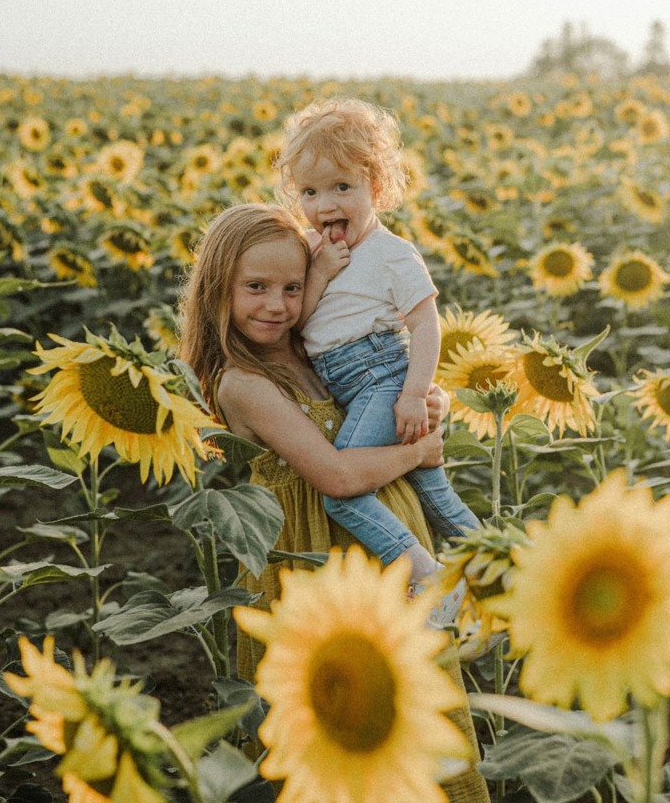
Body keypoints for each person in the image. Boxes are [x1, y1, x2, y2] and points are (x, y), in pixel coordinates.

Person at [177, 202, 489, 803]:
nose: (277, 305)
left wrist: (429, 405)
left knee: (411, 718)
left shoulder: (315, 347)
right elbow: (338, 477)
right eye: (256, 288)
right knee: (337, 736)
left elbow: (387, 390)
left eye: (293, 288)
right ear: (218, 291)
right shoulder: (243, 383)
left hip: (385, 552)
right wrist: (418, 453)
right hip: (310, 569)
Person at [276, 98, 481, 610]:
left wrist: (414, 394)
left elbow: (425, 324)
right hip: (351, 384)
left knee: (341, 491)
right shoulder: (311, 251)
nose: (325, 205)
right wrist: (319, 273)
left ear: (377, 187)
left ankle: (424, 572)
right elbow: (297, 327)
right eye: (310, 192)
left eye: (342, 187)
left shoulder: (392, 253)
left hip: (384, 381)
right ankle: (499, 572)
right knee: (437, 498)